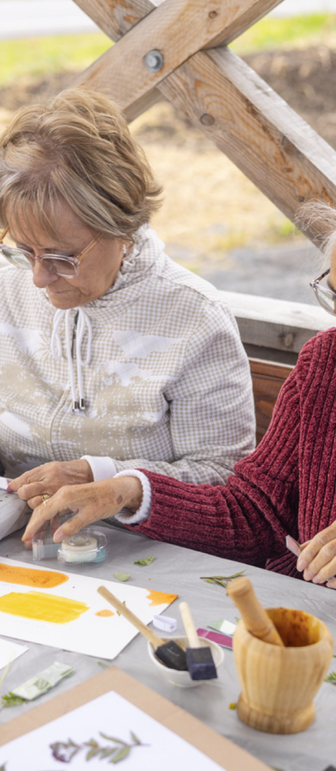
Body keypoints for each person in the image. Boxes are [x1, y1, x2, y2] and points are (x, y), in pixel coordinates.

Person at [0, 88, 256, 498]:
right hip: (12, 527)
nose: (38, 279)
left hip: (135, 548)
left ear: (121, 225)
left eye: (62, 256)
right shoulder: (12, 285)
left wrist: (103, 479)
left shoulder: (193, 317)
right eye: (23, 249)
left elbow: (222, 475)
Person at [21, 202, 336, 588]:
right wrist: (129, 490)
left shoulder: (195, 311)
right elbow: (255, 515)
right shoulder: (324, 365)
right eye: (334, 295)